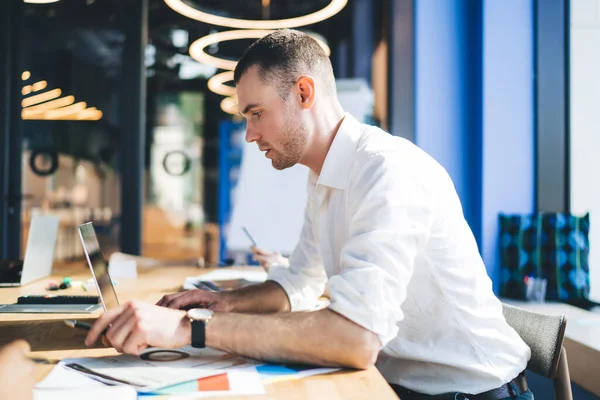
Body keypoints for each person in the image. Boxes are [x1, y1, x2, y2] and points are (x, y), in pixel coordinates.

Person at [85, 29, 533, 399]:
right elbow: (300, 282)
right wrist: (222, 303)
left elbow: (355, 340)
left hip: (469, 392)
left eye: (256, 113)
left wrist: (192, 329)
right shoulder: (323, 176)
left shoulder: (387, 170)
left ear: (303, 92)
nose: (250, 134)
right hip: (398, 383)